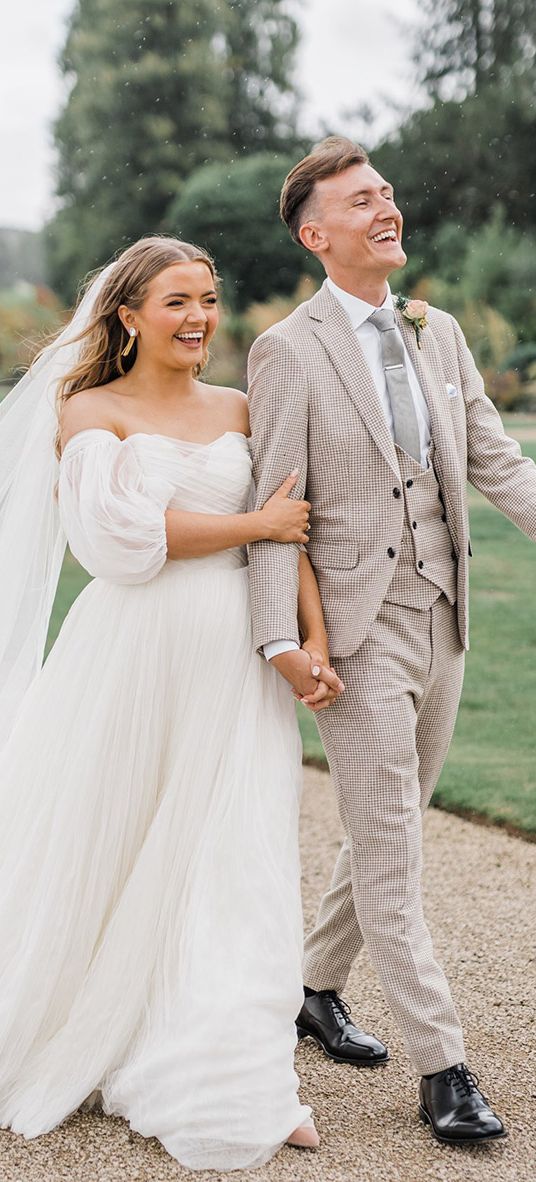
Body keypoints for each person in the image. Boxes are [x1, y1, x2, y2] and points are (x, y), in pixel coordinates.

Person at [0, 235, 343, 1170]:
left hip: (235, 664)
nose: (199, 319)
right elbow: (116, 539)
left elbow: (291, 534)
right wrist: (255, 522)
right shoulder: (87, 409)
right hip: (129, 661)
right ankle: (89, 1025)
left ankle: (235, 1077)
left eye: (208, 298)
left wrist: (310, 639)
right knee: (107, 840)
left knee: (235, 853)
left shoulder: (241, 404)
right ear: (128, 317)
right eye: (177, 302)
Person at [247, 136, 536, 1146]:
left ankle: (312, 987)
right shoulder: (288, 348)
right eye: (361, 199)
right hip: (355, 640)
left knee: (395, 817)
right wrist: (279, 640)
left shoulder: (437, 331)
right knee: (391, 851)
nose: (387, 208)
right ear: (314, 231)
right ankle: (441, 1066)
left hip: (442, 620)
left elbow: (493, 461)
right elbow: (272, 508)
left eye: (387, 193)